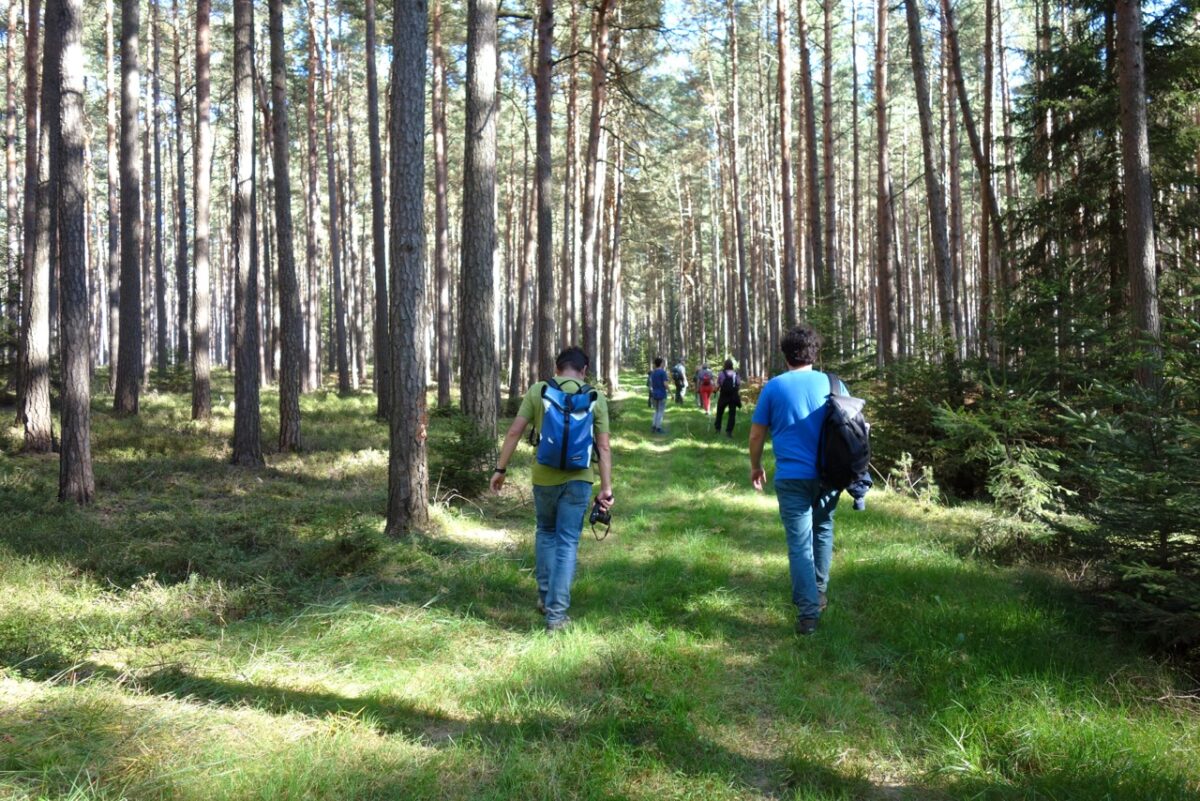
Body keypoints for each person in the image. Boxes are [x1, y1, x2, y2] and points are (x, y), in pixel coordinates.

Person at [491, 346, 615, 633]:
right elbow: (604, 446)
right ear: (584, 371)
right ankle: (556, 616)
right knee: (567, 542)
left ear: (557, 368)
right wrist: (606, 488)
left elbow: (514, 432)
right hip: (579, 479)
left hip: (543, 477)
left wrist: (500, 469)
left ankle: (545, 598)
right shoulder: (595, 397)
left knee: (545, 532)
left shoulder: (539, 390)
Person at [748, 324, 844, 636]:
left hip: (791, 478)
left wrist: (756, 465)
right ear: (815, 353)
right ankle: (817, 593)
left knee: (800, 544)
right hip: (831, 474)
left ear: (785, 354)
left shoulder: (774, 388)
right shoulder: (834, 383)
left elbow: (757, 433)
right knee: (823, 530)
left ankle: (808, 615)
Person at [714, 359, 741, 437]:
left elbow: (718, 385)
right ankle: (729, 431)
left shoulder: (721, 374)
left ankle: (718, 429)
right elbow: (738, 384)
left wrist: (715, 391)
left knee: (719, 412)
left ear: (725, 365)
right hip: (733, 396)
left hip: (724, 395)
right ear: (732, 365)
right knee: (732, 414)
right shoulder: (736, 374)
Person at [648, 357, 670, 433]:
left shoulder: (653, 373)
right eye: (663, 363)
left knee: (656, 411)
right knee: (660, 411)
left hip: (654, 394)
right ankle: (658, 427)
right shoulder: (663, 372)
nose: (663, 364)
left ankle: (654, 426)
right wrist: (671, 392)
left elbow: (650, 384)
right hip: (662, 394)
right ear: (660, 364)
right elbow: (665, 384)